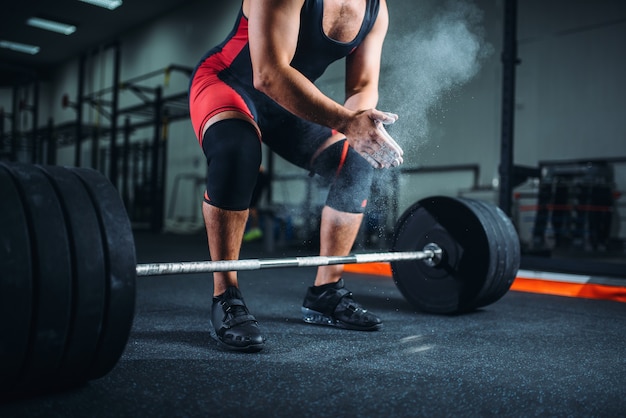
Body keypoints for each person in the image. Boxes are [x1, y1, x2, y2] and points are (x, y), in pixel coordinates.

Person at [189, 0, 403, 352]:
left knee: (356, 161)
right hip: (230, 83)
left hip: (287, 101)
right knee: (238, 150)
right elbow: (268, 75)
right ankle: (225, 295)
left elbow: (362, 86)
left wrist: (359, 128)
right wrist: (346, 123)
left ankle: (326, 292)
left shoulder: (375, 10)